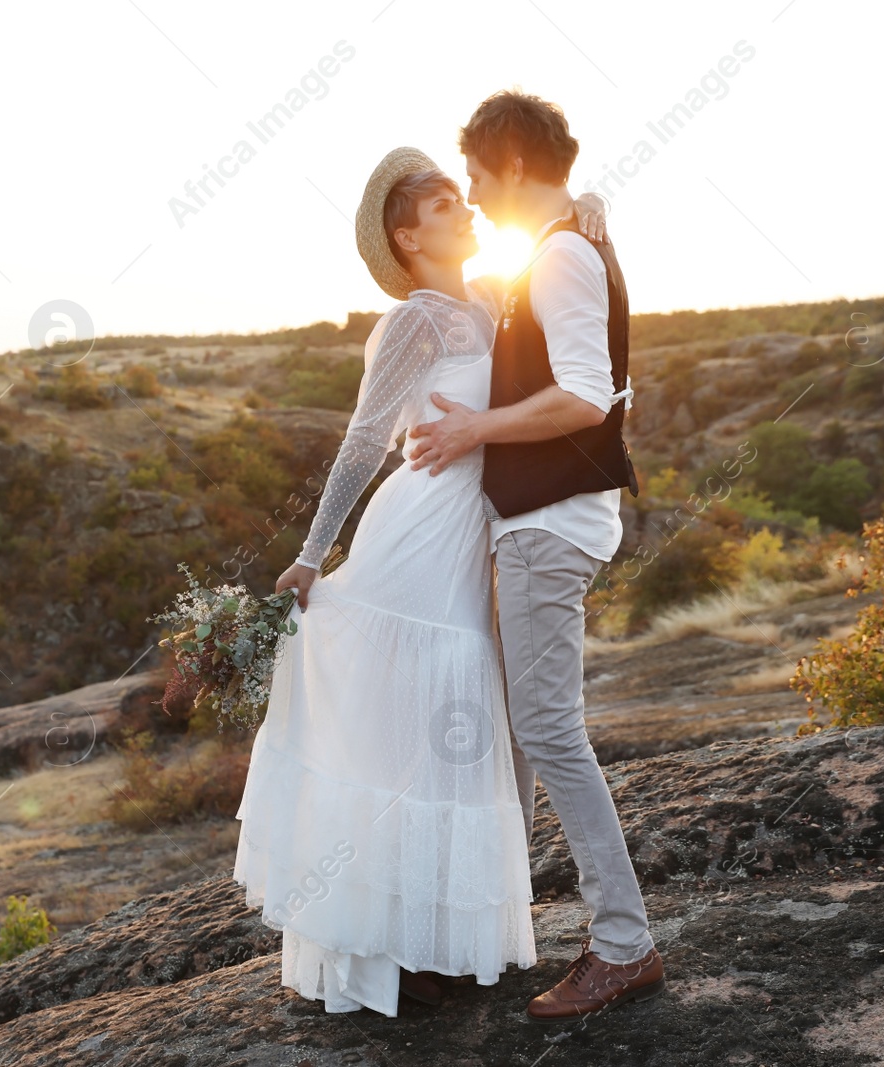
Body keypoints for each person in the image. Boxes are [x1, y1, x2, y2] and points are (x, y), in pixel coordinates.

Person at [231, 145, 608, 1017]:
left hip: (469, 547)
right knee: (402, 735)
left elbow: (558, 266)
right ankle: (386, 946)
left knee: (455, 732)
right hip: (414, 539)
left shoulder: (493, 301)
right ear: (408, 234)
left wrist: (588, 202)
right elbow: (364, 442)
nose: (467, 208)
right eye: (446, 202)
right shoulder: (416, 322)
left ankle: (425, 935)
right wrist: (314, 552)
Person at [406, 90, 666, 1021]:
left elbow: (589, 398)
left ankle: (624, 944)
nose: (473, 193)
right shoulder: (569, 240)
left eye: (477, 174)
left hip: (550, 525)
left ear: (512, 164)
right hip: (547, 521)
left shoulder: (559, 254)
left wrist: (477, 426)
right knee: (522, 734)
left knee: (549, 729)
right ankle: (487, 929)